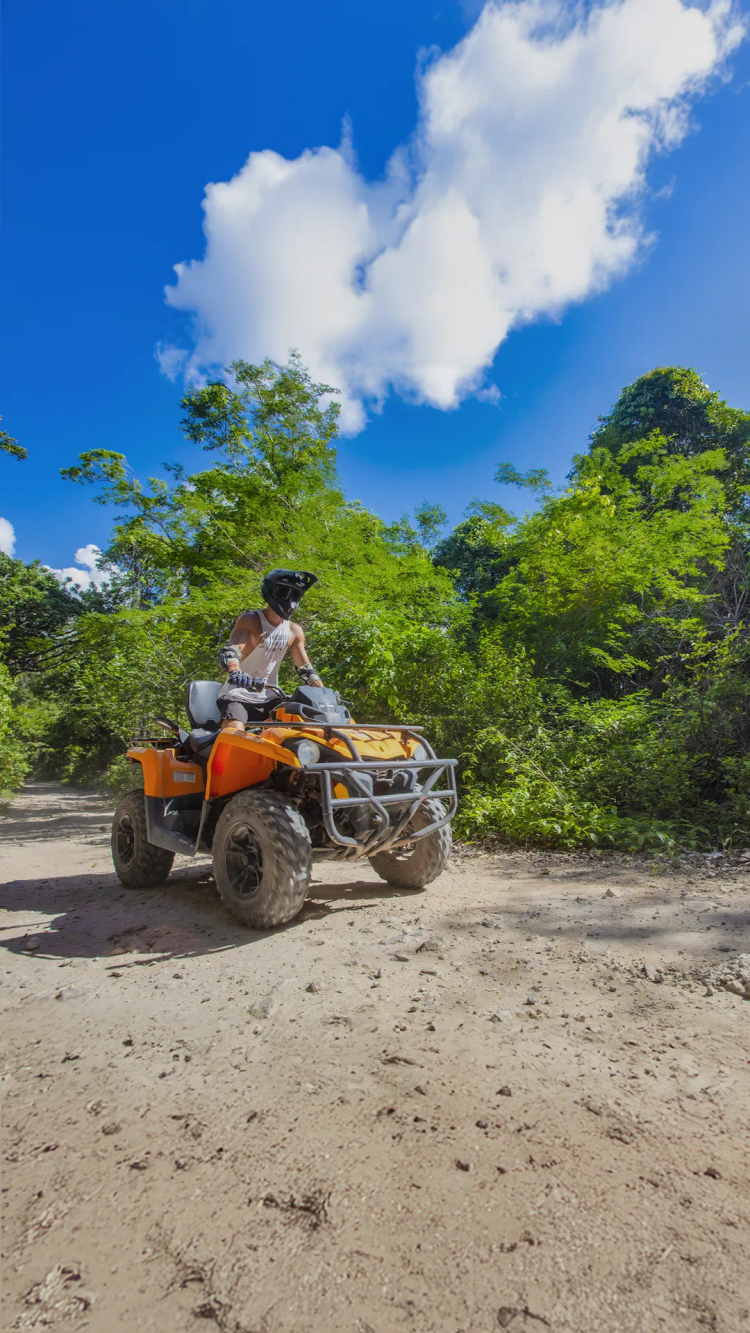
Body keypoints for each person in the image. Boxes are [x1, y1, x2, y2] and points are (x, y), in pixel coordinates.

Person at [217, 568, 324, 733]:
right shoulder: (250, 620)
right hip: (238, 694)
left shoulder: (294, 631)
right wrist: (235, 670)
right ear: (272, 591)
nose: (290, 599)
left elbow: (306, 669)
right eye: (285, 592)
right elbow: (233, 649)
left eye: (295, 595)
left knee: (297, 730)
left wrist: (323, 692)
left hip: (271, 698)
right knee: (234, 731)